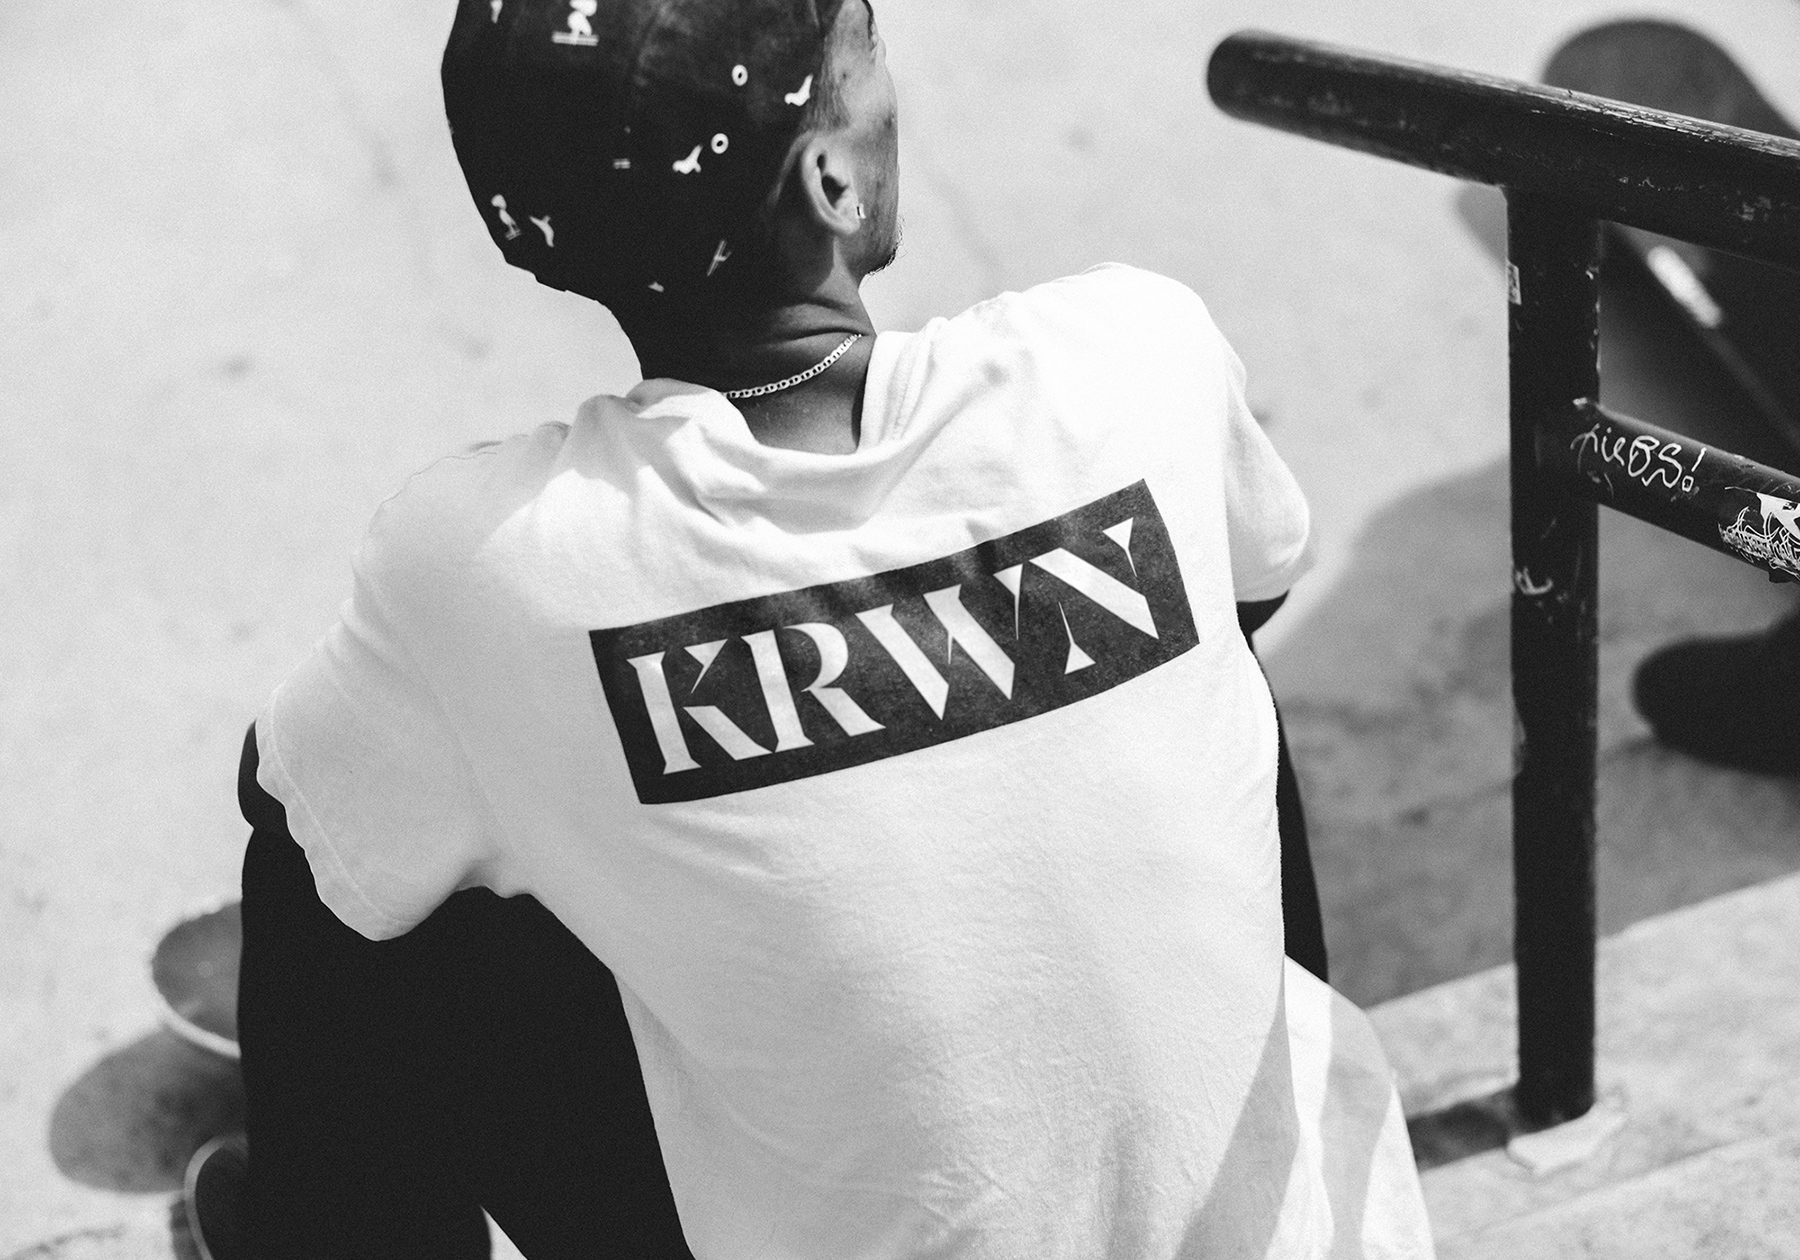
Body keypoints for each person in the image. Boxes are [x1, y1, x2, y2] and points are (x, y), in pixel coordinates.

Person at [188, 0, 1434, 1255]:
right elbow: (1253, 591)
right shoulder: (1130, 356)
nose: (889, 75)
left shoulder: (492, 565)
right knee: (1207, 635)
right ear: (830, 181)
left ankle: (321, 1227)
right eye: (867, 41)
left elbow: (292, 794)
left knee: (359, 859)